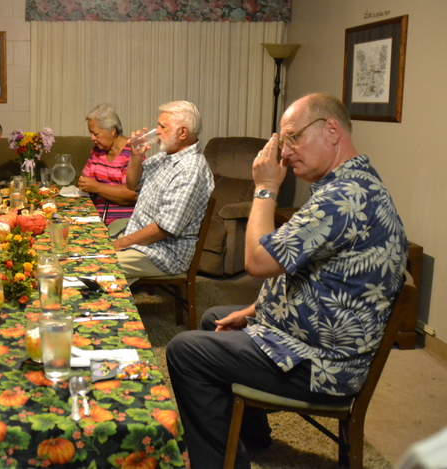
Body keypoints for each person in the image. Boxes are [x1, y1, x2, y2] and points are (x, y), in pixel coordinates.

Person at [165, 93, 408, 469]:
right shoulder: (348, 183)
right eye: (283, 141)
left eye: (293, 137)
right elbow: (314, 276)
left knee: (185, 351)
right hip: (312, 333)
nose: (285, 153)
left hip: (324, 363)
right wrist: (254, 310)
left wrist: (265, 188)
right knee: (216, 317)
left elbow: (258, 261)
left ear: (331, 130)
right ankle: (252, 434)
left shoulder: (344, 198)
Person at [112, 100, 214, 282]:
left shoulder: (191, 169)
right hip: (141, 238)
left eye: (162, 126)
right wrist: (135, 156)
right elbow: (132, 184)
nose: (157, 130)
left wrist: (119, 244)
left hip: (163, 252)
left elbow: (163, 229)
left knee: (100, 263)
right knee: (90, 249)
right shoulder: (166, 156)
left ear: (182, 132)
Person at [77, 103, 139, 227]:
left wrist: (97, 188)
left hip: (123, 223)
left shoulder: (133, 153)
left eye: (96, 134)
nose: (92, 138)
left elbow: (132, 194)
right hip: (94, 217)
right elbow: (83, 182)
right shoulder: (97, 151)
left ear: (112, 131)